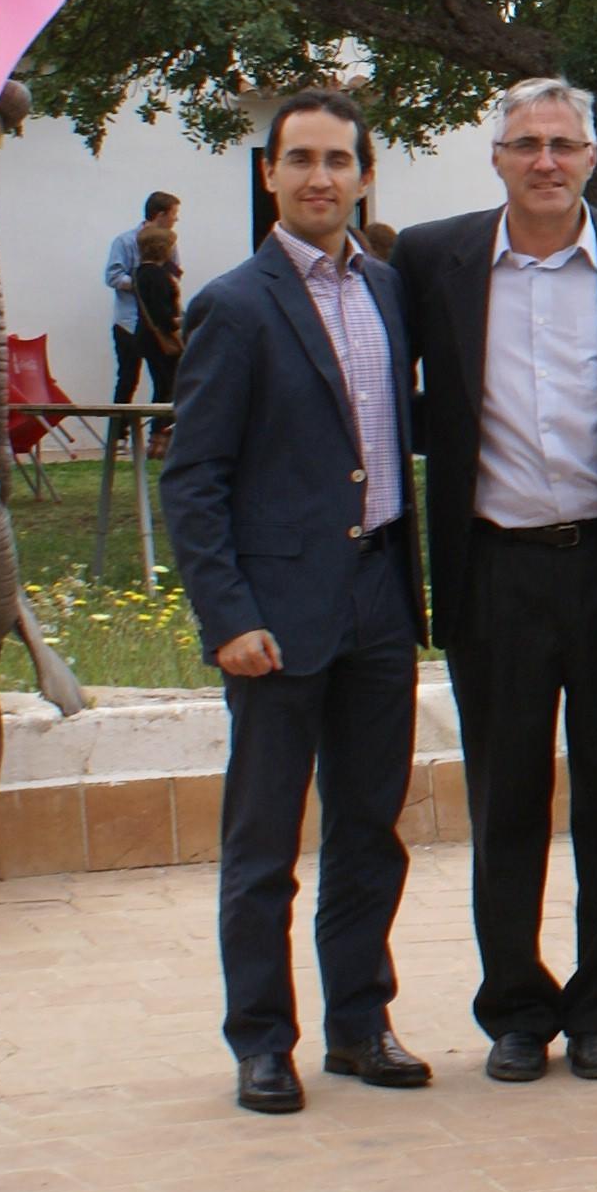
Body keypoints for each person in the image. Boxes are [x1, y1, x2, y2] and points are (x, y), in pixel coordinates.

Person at [392, 81, 597, 1086]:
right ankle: (517, 1011)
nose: (545, 161)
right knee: (506, 802)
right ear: (496, 158)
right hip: (496, 570)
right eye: (525, 143)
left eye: (563, 144)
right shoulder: (431, 261)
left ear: (592, 156)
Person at [162, 91, 428, 1116]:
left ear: (364, 175)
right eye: (301, 159)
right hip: (275, 615)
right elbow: (194, 478)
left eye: (339, 160)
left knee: (369, 831)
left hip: (379, 600)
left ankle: (360, 1025)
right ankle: (262, 1041)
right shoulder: (234, 305)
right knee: (264, 843)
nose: (321, 177)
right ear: (270, 173)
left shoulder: (389, 290)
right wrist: (228, 616)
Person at [109, 189, 179, 409]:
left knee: (164, 382)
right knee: (128, 380)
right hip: (129, 321)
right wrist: (144, 286)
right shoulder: (124, 241)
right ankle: (119, 429)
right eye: (173, 214)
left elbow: (174, 273)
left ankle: (157, 429)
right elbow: (113, 276)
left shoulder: (170, 242)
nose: (176, 220)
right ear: (160, 215)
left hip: (157, 325)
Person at [130, 222, 184, 435]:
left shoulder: (140, 273)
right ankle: (161, 435)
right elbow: (162, 314)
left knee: (162, 386)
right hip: (160, 340)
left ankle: (158, 434)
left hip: (146, 336)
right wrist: (180, 323)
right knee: (169, 389)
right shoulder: (157, 276)